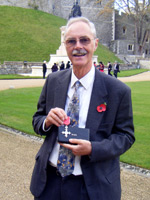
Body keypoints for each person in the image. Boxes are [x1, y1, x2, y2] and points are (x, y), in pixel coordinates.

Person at [30, 17, 135, 200]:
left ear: (95, 44)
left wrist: (93, 148)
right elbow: (37, 119)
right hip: (49, 181)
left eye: (84, 40)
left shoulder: (118, 91)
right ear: (65, 45)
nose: (78, 46)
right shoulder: (53, 81)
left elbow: (126, 136)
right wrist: (46, 121)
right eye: (71, 41)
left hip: (90, 186)